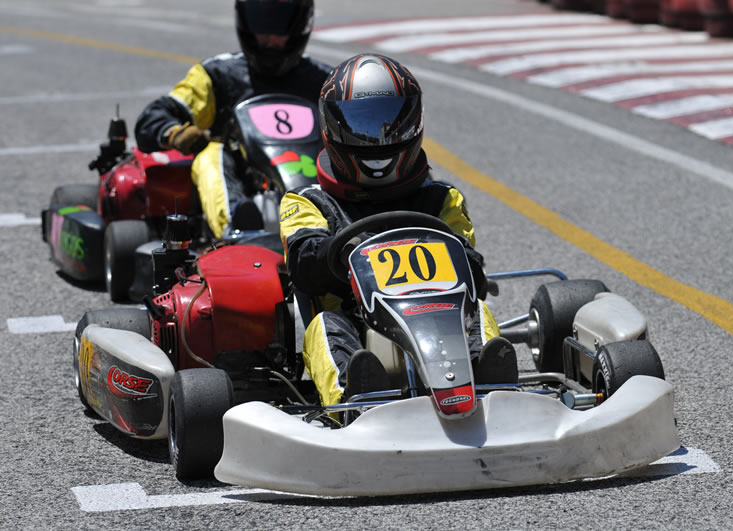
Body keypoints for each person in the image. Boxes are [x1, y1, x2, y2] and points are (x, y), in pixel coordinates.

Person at [279, 53, 518, 408]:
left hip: (438, 322)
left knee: (477, 311)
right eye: (361, 124)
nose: (378, 138)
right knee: (325, 326)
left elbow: (473, 273)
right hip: (356, 326)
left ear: (413, 121)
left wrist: (461, 261)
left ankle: (493, 392)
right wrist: (338, 251)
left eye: (390, 122)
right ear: (333, 126)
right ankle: (355, 402)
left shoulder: (441, 199)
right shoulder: (307, 201)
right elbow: (304, 262)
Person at [135, 0, 331, 239]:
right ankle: (237, 232)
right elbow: (153, 117)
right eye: (261, 25)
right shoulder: (217, 75)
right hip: (242, 179)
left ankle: (336, 225)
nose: (269, 37)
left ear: (300, 26)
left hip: (310, 174)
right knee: (211, 153)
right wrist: (176, 133)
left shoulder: (324, 81)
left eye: (279, 27)